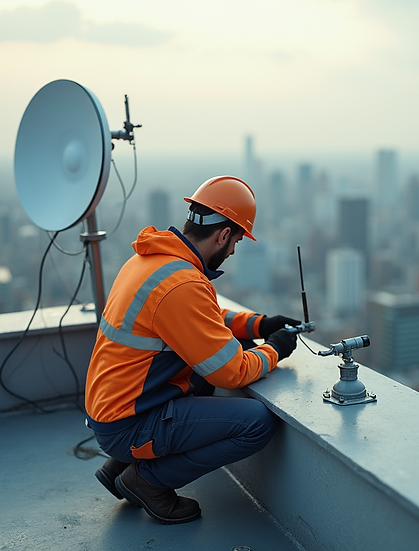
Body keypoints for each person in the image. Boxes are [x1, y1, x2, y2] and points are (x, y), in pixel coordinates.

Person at [83, 175, 300, 524]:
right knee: (257, 423)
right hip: (128, 424)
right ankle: (148, 481)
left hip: (110, 411)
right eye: (236, 241)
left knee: (202, 371)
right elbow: (231, 373)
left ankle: (118, 468)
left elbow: (200, 320)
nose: (232, 251)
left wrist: (259, 324)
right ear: (224, 235)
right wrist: (274, 349)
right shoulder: (182, 284)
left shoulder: (152, 261)